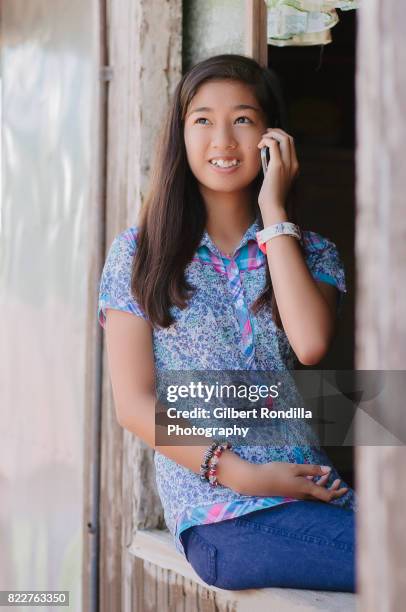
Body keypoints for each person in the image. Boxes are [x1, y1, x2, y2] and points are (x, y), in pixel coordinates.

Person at [98, 54, 357, 593]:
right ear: (180, 135)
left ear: (272, 136)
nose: (223, 138)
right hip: (223, 517)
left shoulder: (312, 253)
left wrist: (274, 212)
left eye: (243, 119)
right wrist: (243, 473)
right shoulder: (140, 255)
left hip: (315, 496)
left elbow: (310, 344)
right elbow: (134, 404)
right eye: (203, 120)